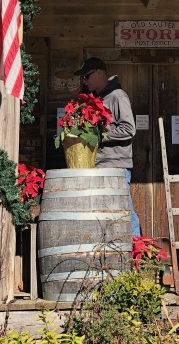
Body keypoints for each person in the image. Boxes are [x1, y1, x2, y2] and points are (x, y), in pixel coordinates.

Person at [74, 56, 140, 237]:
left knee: (125, 211)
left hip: (116, 165)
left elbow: (129, 129)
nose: (84, 81)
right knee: (106, 214)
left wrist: (97, 136)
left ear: (100, 73)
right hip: (101, 165)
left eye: (86, 76)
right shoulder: (99, 98)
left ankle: (137, 254)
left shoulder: (117, 96)